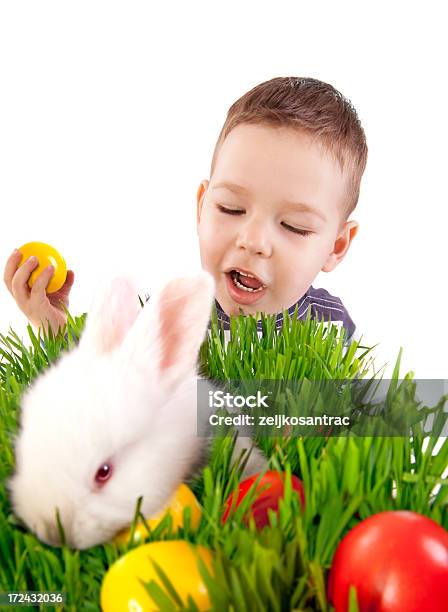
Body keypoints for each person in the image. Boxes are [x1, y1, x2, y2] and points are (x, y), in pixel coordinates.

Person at [3, 76, 367, 342]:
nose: (253, 240)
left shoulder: (331, 326)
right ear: (201, 207)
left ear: (336, 246)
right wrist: (55, 328)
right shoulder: (171, 316)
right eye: (231, 208)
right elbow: (109, 388)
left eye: (293, 226)